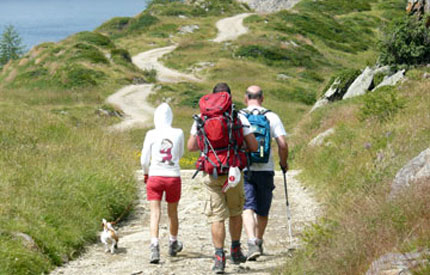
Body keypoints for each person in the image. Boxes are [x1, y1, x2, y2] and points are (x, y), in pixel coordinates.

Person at [187, 83, 258, 274]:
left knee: (216, 216)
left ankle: (219, 257)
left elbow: (191, 146)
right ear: (229, 96)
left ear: (212, 96)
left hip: (211, 172)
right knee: (235, 211)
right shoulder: (238, 116)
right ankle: (235, 250)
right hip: (233, 171)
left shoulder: (202, 117)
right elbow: (253, 146)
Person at [241, 85, 288, 261]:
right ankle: (259, 240)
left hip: (245, 168)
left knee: (247, 206)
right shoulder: (271, 116)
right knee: (262, 209)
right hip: (266, 169)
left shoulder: (241, 116)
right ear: (262, 98)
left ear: (246, 98)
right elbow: (282, 144)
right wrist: (283, 163)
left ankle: (251, 241)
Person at [141, 103, 185, 264]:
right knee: (172, 212)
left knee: (155, 212)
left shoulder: (151, 133)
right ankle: (173, 242)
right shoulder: (178, 132)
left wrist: (146, 172)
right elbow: (180, 153)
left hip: (155, 176)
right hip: (173, 175)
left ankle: (154, 245)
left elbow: (144, 159)